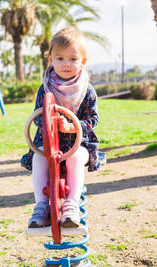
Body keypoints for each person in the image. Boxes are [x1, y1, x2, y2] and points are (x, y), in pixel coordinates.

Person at [21, 27, 106, 228]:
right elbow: (37, 116)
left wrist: (72, 126)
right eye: (60, 58)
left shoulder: (86, 90)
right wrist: (49, 123)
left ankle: (71, 205)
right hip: (49, 144)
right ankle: (41, 206)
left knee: (75, 158)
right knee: (39, 156)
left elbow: (92, 119)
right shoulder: (46, 87)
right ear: (50, 60)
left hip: (79, 144)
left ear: (82, 62)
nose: (66, 64)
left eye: (73, 59)